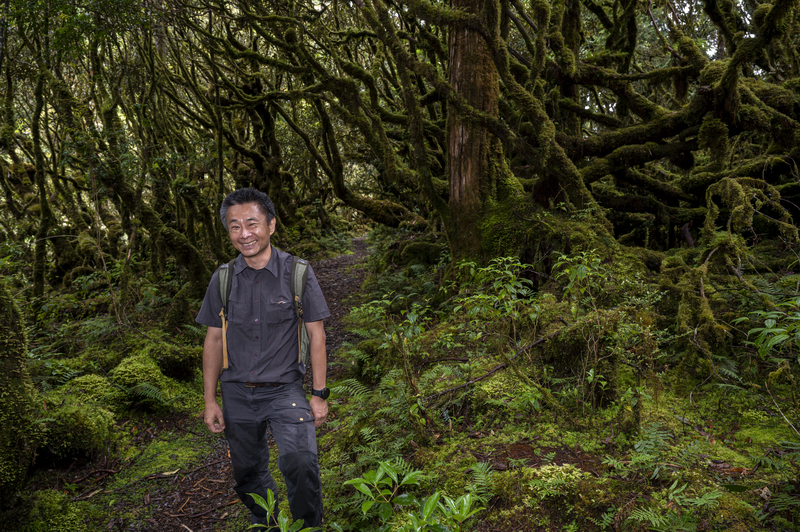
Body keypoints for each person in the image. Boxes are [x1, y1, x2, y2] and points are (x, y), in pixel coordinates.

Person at [196, 188, 330, 528]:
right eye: (235, 226)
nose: (245, 234)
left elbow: (317, 334)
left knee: (301, 463)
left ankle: (306, 526)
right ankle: (270, 523)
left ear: (271, 224)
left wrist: (318, 394)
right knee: (247, 475)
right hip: (237, 393)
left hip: (285, 390)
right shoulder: (223, 279)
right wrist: (210, 400)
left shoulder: (298, 273)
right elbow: (213, 339)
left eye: (252, 224)